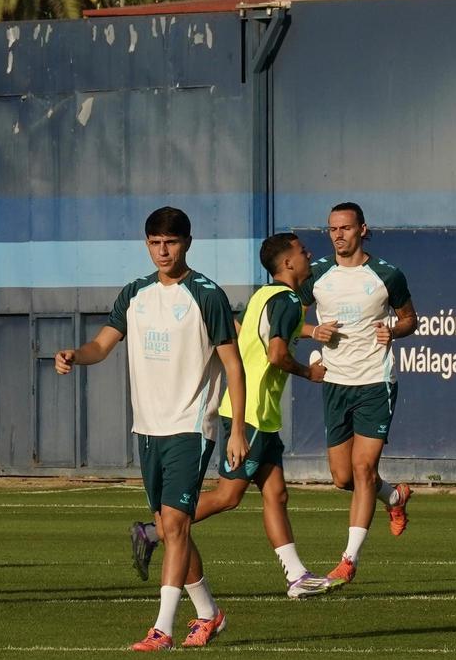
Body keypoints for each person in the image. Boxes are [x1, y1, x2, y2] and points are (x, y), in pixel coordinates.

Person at [56, 206, 248, 651]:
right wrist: (75, 356)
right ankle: (209, 613)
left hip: (190, 426)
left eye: (171, 242)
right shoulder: (134, 294)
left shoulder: (206, 294)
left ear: (187, 243)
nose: (163, 251)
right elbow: (102, 345)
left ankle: (162, 629)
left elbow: (233, 366)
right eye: (155, 243)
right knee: (167, 528)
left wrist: (236, 428)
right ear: (147, 244)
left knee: (176, 525)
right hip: (147, 428)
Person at [130, 233, 332, 599]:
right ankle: (154, 531)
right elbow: (275, 355)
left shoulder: (265, 296)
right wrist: (309, 373)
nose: (308, 255)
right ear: (287, 263)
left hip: (261, 414)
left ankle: (297, 576)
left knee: (277, 494)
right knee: (228, 496)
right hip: (252, 412)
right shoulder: (286, 299)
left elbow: (243, 332)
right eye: (303, 252)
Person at [298, 202, 417, 588]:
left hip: (374, 382)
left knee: (364, 469)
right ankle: (394, 497)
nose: (338, 235)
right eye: (333, 229)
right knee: (342, 477)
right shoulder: (315, 274)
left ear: (363, 230)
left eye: (346, 228)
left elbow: (409, 318)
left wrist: (394, 332)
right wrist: (312, 332)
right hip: (335, 383)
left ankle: (348, 561)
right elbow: (288, 319)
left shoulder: (386, 274)